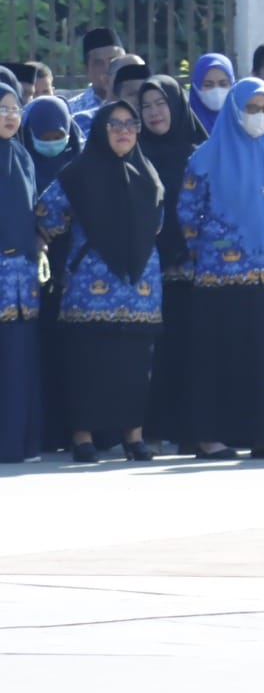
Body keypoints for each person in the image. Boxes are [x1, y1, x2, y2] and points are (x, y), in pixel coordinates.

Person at [176, 78, 264, 459]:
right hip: (220, 275)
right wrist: (214, 248)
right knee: (220, 357)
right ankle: (212, 437)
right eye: (251, 108)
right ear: (234, 109)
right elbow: (188, 214)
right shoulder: (205, 158)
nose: (260, 116)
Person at [36, 96, 164, 461]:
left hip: (140, 291)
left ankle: (133, 436)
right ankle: (83, 436)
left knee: (134, 367)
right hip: (90, 291)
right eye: (115, 124)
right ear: (99, 130)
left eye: (130, 124)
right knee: (88, 365)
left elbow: (157, 224)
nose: (124, 131)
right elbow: (46, 217)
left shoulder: (148, 175)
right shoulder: (77, 174)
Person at [133, 74, 203, 451]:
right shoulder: (134, 154)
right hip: (148, 273)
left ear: (176, 105)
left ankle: (194, 431)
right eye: (146, 106)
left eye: (161, 103)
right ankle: (153, 431)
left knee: (193, 351)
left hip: (194, 271)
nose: (154, 112)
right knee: (154, 357)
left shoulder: (200, 154)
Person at [0, 74, 41, 463]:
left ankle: (18, 443)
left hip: (22, 280)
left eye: (15, 109)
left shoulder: (23, 156)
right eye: (2, 109)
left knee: (20, 361)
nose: (10, 116)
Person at [64, 26, 124, 121]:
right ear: (87, 70)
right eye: (99, 63)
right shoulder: (69, 112)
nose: (107, 69)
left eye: (113, 61)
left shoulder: (140, 105)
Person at [188, 54, 235, 135]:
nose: (216, 90)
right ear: (196, 87)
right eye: (208, 85)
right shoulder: (185, 125)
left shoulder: (243, 123)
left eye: (223, 84)